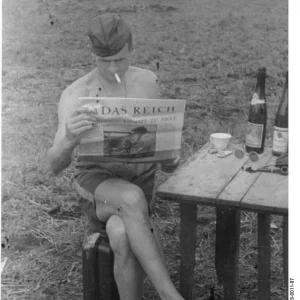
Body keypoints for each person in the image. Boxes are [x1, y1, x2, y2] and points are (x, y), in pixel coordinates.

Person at [46, 13, 184, 300]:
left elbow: (162, 150)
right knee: (130, 199)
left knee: (121, 233)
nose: (112, 68)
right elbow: (53, 165)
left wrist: (169, 157)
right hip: (99, 187)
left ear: (131, 49)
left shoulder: (148, 81)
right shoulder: (75, 94)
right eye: (103, 61)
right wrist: (70, 139)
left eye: (119, 59)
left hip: (140, 184)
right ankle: (170, 295)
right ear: (93, 55)